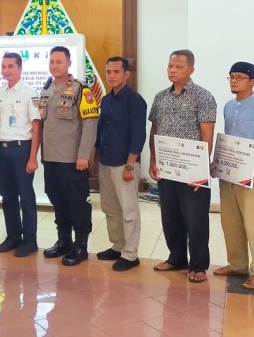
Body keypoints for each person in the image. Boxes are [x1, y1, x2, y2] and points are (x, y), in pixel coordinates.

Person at [148, 50, 216, 283]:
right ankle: (176, 258)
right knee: (170, 217)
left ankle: (198, 265)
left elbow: (207, 136)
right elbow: (154, 130)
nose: (172, 70)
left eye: (178, 66)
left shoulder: (203, 97)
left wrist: (202, 172)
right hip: (167, 168)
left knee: (196, 220)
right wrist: (153, 160)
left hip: (193, 171)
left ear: (191, 69)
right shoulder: (160, 97)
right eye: (170, 66)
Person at [212, 62, 254, 290]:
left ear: (252, 81)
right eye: (231, 76)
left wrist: (252, 173)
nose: (234, 80)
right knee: (230, 222)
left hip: (253, 178)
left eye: (239, 77)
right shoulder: (228, 106)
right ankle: (237, 265)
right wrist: (218, 164)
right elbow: (229, 142)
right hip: (229, 175)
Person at [39, 46, 99, 266]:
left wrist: (84, 155)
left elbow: (90, 124)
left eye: (59, 62)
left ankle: (80, 245)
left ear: (69, 63)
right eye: (51, 62)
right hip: (51, 158)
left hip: (72, 160)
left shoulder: (81, 89)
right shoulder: (47, 88)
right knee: (58, 200)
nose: (54, 66)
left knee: (77, 203)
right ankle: (64, 240)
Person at [94, 56, 147, 271]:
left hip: (124, 164)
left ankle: (130, 254)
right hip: (106, 161)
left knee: (129, 210)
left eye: (116, 72)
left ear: (126, 74)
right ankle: (118, 245)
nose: (111, 76)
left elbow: (138, 135)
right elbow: (101, 132)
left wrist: (129, 165)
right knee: (110, 208)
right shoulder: (106, 100)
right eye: (108, 71)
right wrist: (95, 158)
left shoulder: (135, 101)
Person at [0, 52, 41, 257]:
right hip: (2, 150)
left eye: (10, 66)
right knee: (7, 196)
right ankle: (13, 236)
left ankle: (30, 241)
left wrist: (33, 157)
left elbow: (36, 127)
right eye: (3, 66)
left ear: (20, 68)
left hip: (22, 149)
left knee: (26, 196)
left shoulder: (30, 93)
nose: (6, 70)